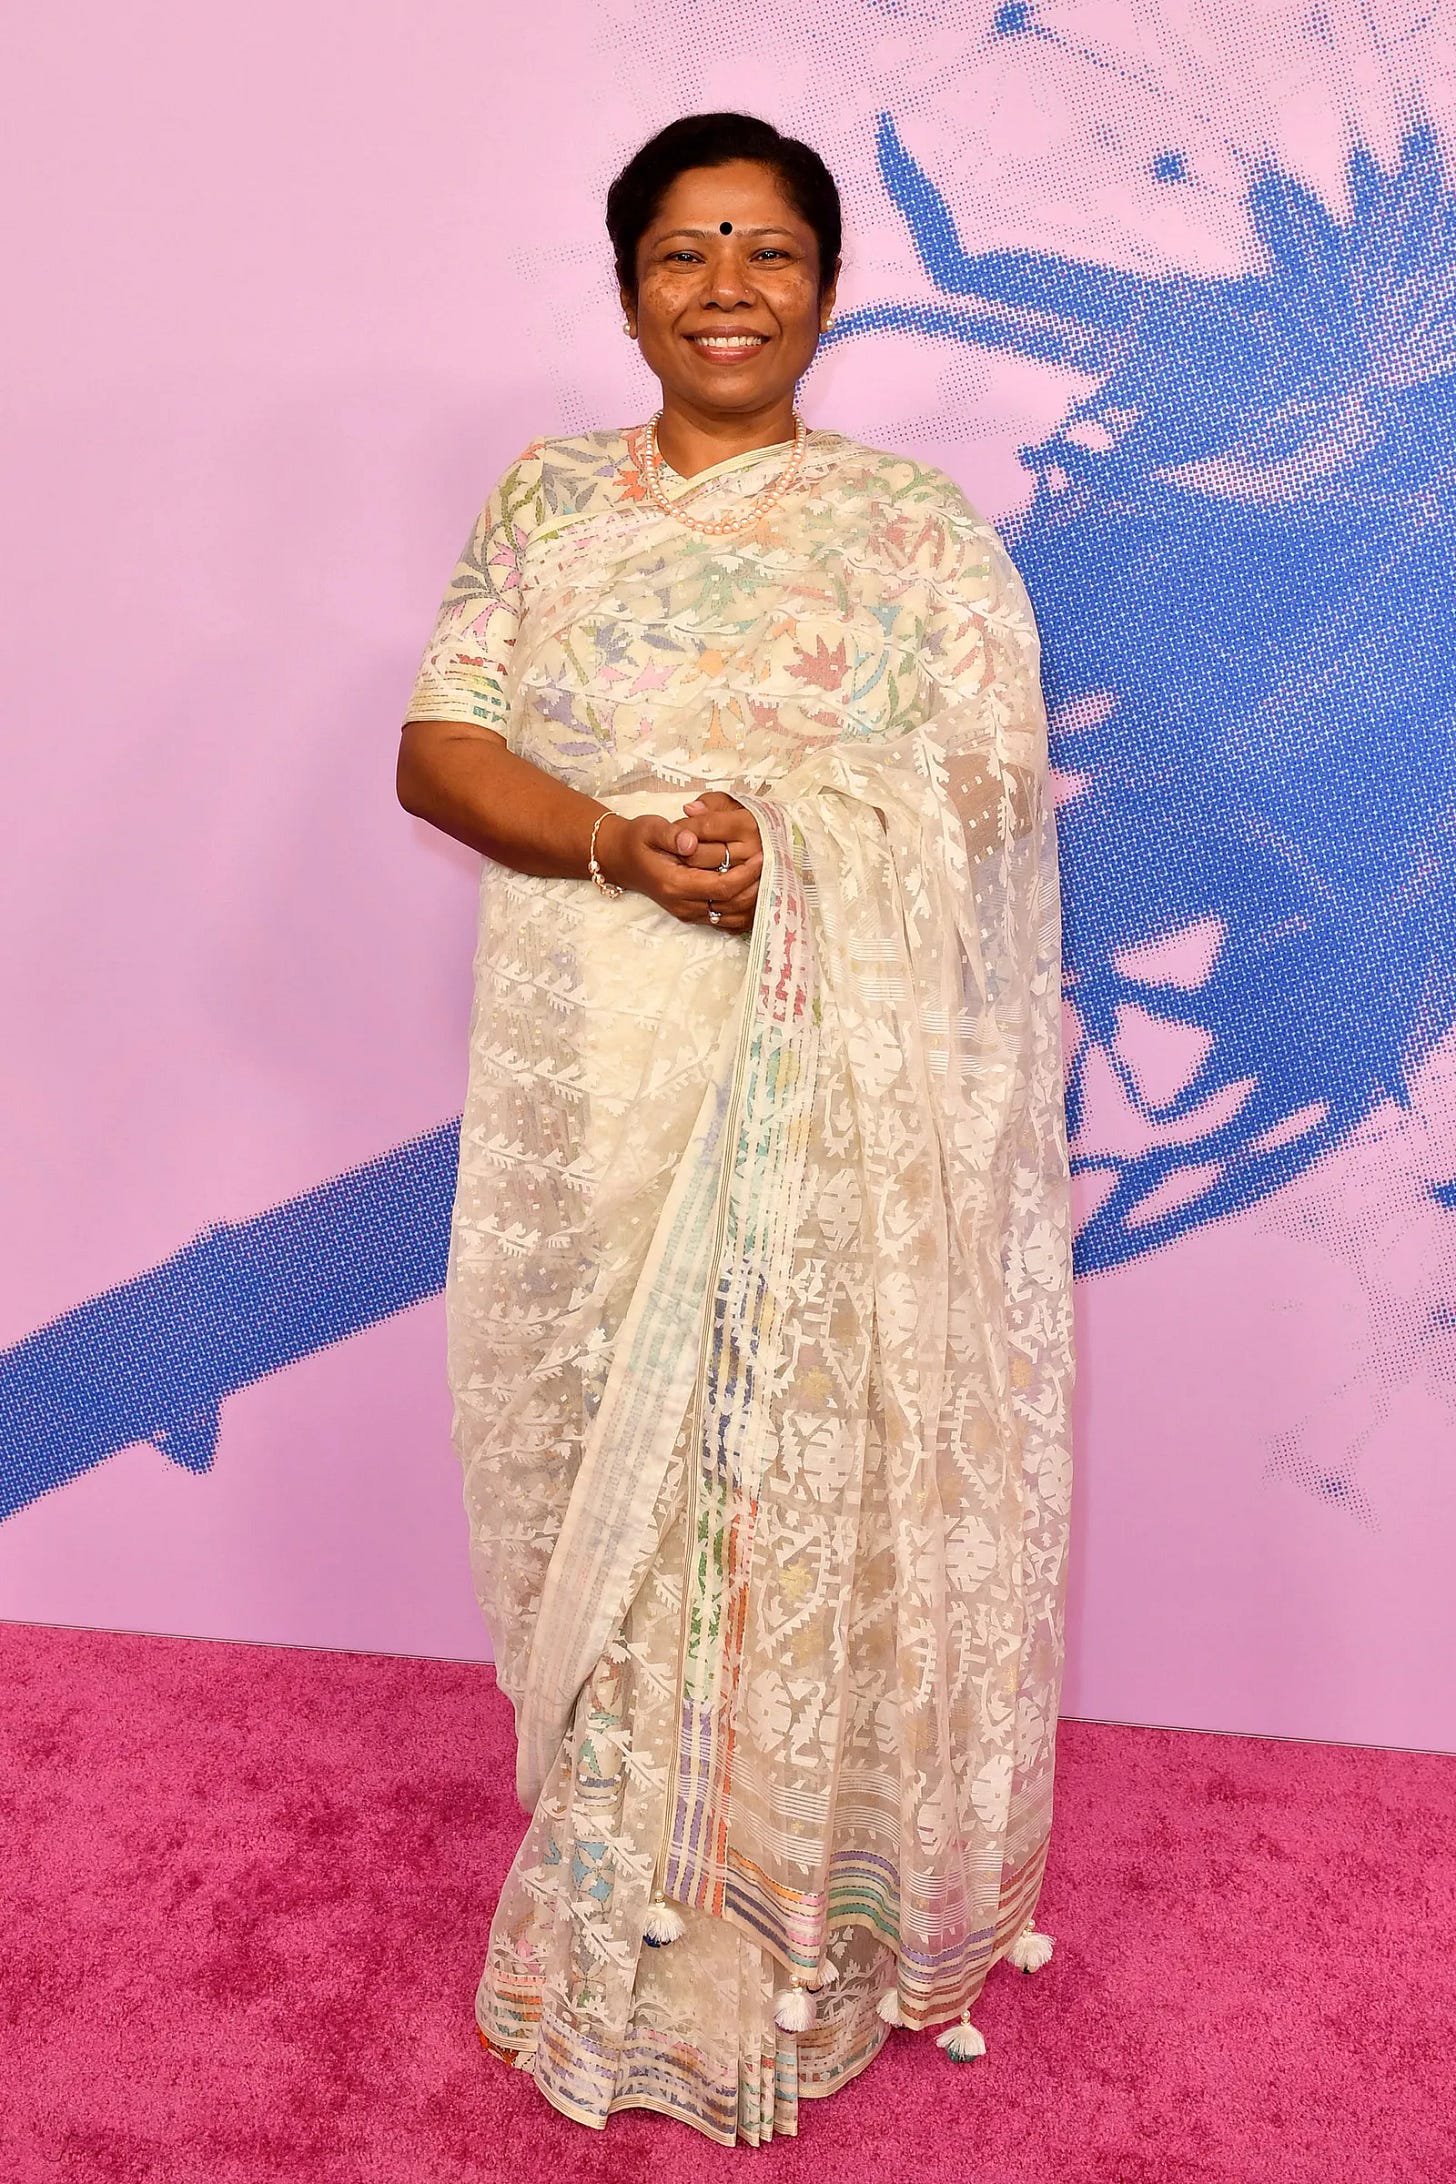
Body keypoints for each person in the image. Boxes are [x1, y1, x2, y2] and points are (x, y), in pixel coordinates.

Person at [397, 110, 1075, 2147]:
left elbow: (987, 784)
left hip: (828, 1079)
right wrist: (622, 843)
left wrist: (797, 844)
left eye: (768, 250)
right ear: (627, 291)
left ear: (828, 290)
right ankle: (612, 1902)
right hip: (594, 1061)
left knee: (772, 1497)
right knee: (598, 1472)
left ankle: (757, 1933)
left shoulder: (911, 532)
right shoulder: (546, 501)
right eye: (683, 250)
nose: (725, 287)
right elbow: (440, 746)